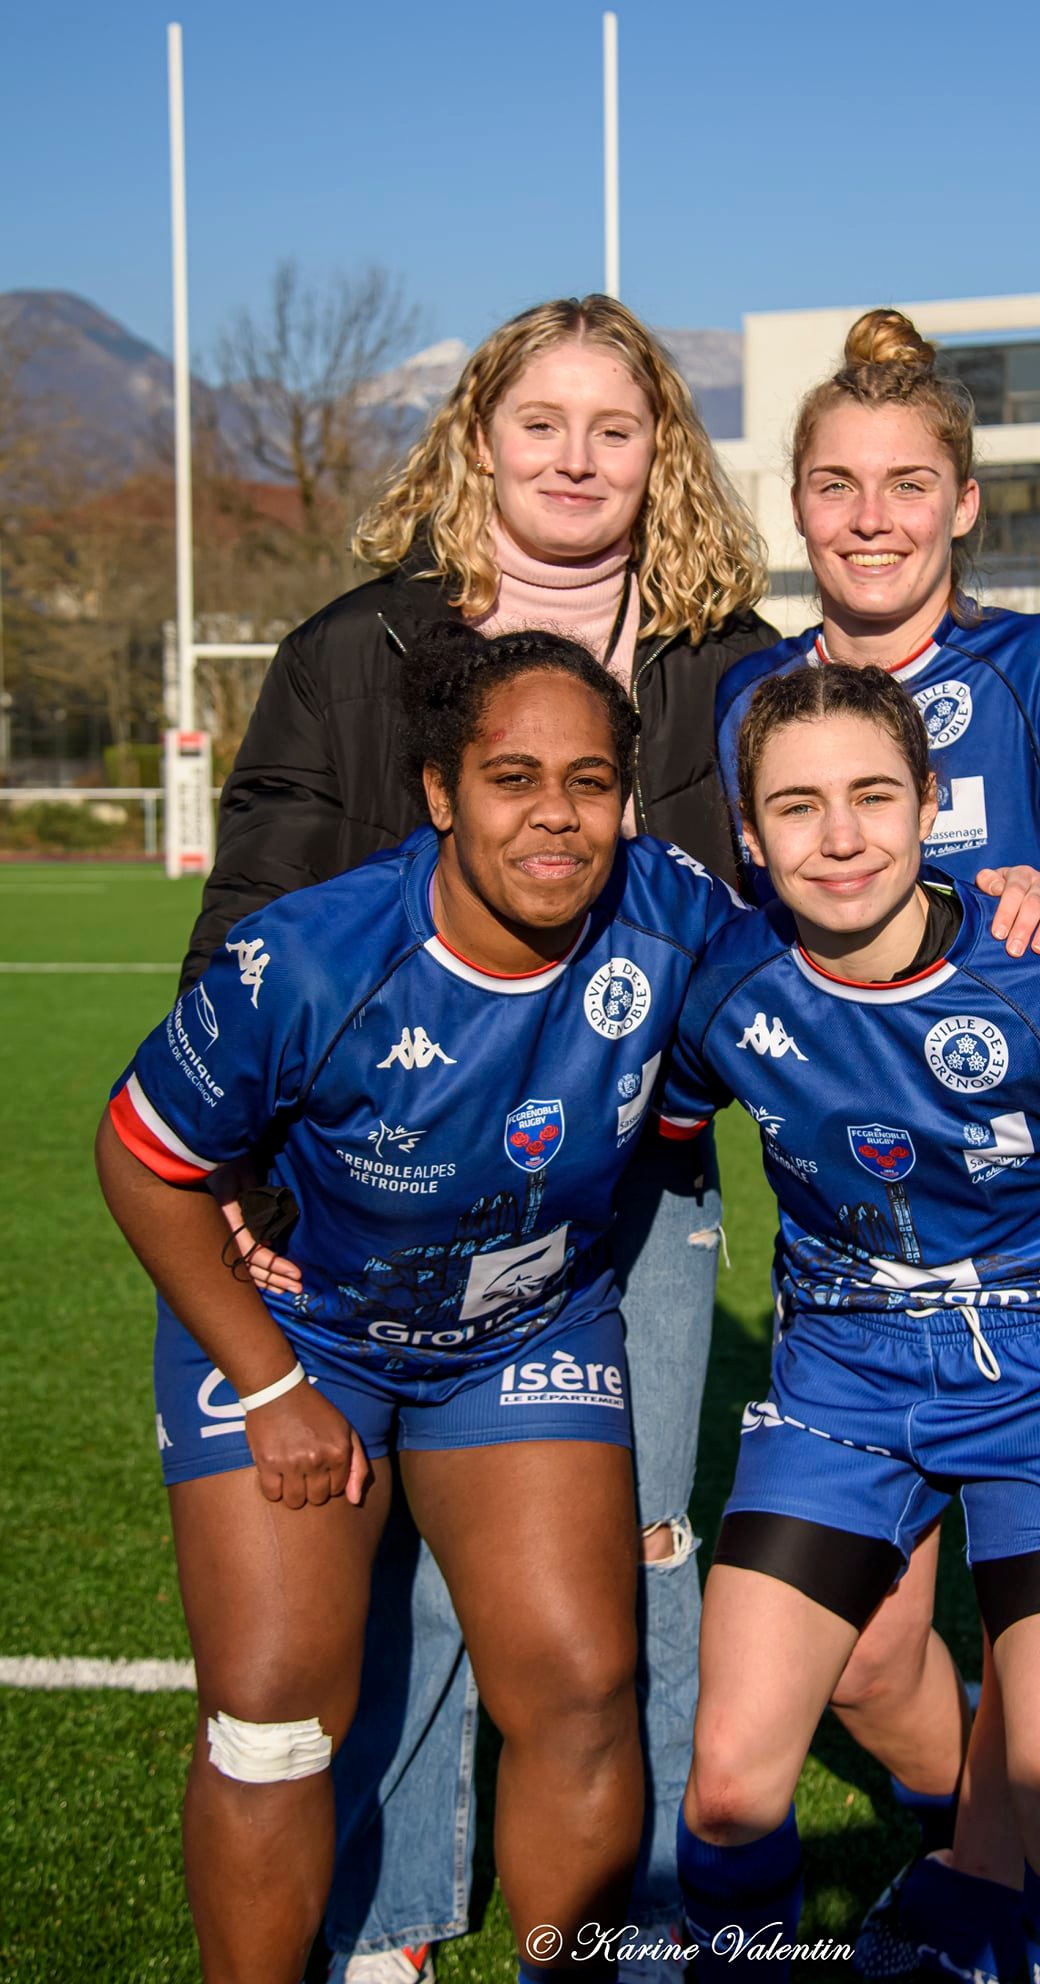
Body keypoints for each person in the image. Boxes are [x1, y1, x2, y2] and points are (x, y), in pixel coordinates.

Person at [175, 296, 773, 1983]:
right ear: (476, 441)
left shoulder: (726, 660)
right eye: (542, 423)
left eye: (617, 427)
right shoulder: (361, 647)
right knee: (353, 1583)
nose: (578, 458)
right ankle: (389, 1921)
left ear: (663, 451)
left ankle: (616, 1937)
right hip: (365, 1174)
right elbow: (259, 910)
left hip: (619, 1171)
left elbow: (797, 886)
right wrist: (246, 1169)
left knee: (619, 1568)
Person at [96, 629, 751, 1984]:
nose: (556, 815)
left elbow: (814, 991)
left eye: (589, 779)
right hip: (304, 1337)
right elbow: (141, 1156)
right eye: (512, 777)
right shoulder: (317, 960)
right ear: (440, 792)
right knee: (275, 1718)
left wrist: (987, 914)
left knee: (576, 1689)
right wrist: (269, 1387)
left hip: (520, 1339)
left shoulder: (670, 913)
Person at [711, 309, 1040, 1979]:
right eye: (834, 485)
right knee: (863, 1659)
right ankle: (976, 1856)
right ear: (795, 504)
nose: (868, 517)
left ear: (963, 503)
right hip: (858, 1265)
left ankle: (1012, 1869)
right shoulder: (752, 700)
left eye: (905, 484)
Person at [662, 661, 1040, 1984]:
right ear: (749, 838)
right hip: (841, 1396)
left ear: (932, 805)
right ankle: (945, 1888)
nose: (844, 836)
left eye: (874, 795)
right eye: (797, 807)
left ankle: (1022, 1912)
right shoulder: (726, 986)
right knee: (730, 1790)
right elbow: (651, 1138)